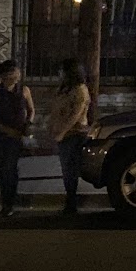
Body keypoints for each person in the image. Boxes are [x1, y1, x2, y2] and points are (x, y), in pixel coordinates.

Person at [0, 59, 35, 216]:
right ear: (5, 75)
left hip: (17, 135)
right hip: (1, 136)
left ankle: (10, 201)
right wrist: (6, 130)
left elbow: (31, 110)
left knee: (11, 168)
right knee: (4, 169)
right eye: (15, 72)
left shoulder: (24, 90)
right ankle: (6, 202)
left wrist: (28, 124)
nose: (18, 75)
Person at [49, 57, 94, 216]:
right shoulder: (64, 88)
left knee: (70, 170)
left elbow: (75, 115)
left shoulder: (80, 90)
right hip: (63, 133)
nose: (60, 73)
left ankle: (71, 202)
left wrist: (62, 132)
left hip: (74, 134)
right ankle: (70, 201)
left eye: (62, 70)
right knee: (67, 169)